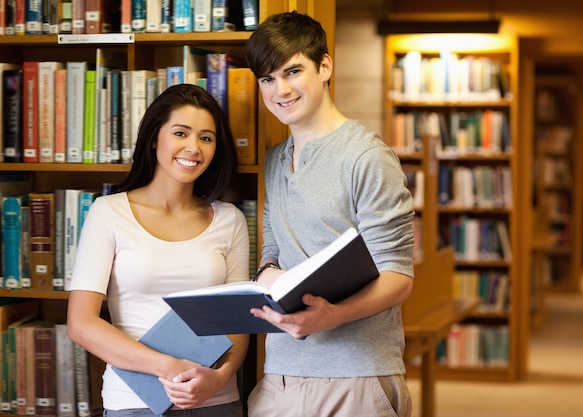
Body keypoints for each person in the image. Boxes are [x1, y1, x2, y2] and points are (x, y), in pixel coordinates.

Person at [245, 11, 415, 417]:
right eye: (267, 79)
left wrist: (333, 316)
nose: (280, 90)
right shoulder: (273, 160)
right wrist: (269, 273)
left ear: (325, 67)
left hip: (357, 377)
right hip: (281, 375)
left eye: (292, 72)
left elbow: (399, 276)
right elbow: (272, 247)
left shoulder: (368, 158)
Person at [67, 84, 250, 417]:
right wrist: (169, 367)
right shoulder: (108, 212)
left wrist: (220, 376)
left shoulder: (231, 220)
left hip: (216, 400)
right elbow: (81, 323)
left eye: (206, 138)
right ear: (155, 138)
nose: (193, 148)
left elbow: (237, 320)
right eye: (181, 133)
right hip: (134, 402)